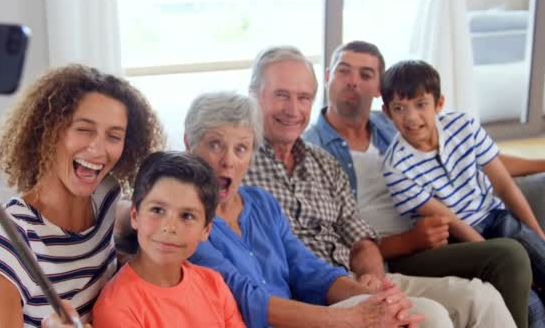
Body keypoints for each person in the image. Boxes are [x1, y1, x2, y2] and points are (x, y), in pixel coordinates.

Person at [243, 45, 517, 327]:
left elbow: (361, 239)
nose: (293, 109)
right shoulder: (239, 166)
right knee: (430, 317)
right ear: (253, 95)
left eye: (303, 98)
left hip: (363, 278)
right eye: (281, 96)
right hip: (316, 294)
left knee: (479, 297)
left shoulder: (323, 162)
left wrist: (373, 281)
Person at [183, 92, 426, 328]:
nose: (228, 161)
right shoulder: (184, 220)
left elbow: (309, 270)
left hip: (308, 317)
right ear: (188, 144)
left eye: (241, 149)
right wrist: (356, 319)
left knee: (426, 316)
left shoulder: (262, 203)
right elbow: (246, 301)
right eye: (215, 145)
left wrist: (374, 300)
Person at [0, 64, 163, 327]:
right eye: (83, 129)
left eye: (114, 136)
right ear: (47, 131)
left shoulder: (106, 197)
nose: (98, 149)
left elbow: (155, 218)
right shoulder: (6, 234)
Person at [380, 60, 545, 300]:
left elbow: (504, 184)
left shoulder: (464, 126)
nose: (411, 118)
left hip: (494, 217)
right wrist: (494, 255)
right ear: (387, 112)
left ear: (439, 104)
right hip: (458, 238)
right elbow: (450, 220)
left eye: (420, 104)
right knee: (528, 301)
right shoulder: (395, 166)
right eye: (399, 108)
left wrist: (537, 231)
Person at [92, 151, 245, 327]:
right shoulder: (118, 306)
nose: (170, 227)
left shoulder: (214, 284)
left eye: (187, 216)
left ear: (206, 230)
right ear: (135, 216)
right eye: (157, 210)